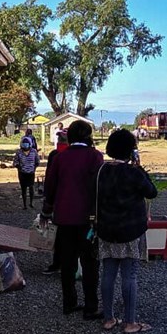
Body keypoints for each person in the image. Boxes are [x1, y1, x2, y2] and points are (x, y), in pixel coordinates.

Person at [40, 120, 104, 319]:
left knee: (67, 263)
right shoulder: (95, 156)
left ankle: (69, 303)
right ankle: (91, 306)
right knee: (90, 263)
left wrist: (46, 210)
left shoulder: (60, 157)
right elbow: (99, 187)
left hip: (64, 218)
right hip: (88, 219)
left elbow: (50, 186)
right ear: (88, 136)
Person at [96, 129, 158, 333]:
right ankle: (130, 322)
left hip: (106, 229)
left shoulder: (102, 170)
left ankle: (108, 318)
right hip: (130, 231)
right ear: (131, 151)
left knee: (108, 274)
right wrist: (140, 168)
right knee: (129, 276)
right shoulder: (133, 173)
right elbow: (152, 191)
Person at [40, 130, 68, 275]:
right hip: (76, 201)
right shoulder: (79, 155)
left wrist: (47, 203)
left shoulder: (55, 155)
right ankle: (70, 265)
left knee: (58, 233)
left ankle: (58, 264)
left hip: (58, 199)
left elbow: (50, 178)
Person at [13, 137, 40, 208]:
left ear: (30, 144)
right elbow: (15, 163)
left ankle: (31, 203)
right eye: (24, 144)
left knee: (31, 187)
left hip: (31, 173)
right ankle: (24, 205)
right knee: (23, 189)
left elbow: (37, 162)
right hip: (22, 174)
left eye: (26, 144)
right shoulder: (19, 152)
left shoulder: (34, 151)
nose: (25, 146)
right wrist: (20, 168)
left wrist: (34, 169)